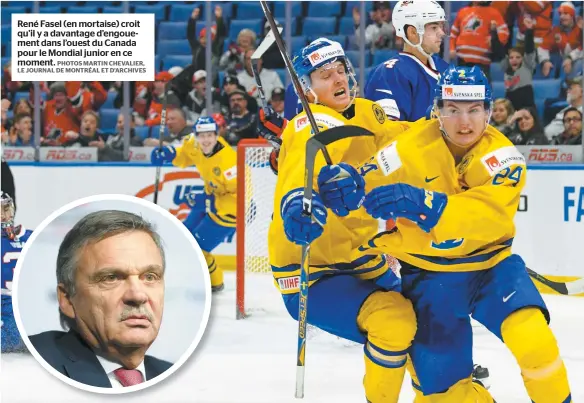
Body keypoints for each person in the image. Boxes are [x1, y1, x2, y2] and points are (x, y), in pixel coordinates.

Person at [317, 66, 572, 402]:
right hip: (430, 279)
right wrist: (348, 186)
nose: (464, 122)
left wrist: (425, 204)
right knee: (447, 397)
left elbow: (487, 214)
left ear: (488, 111)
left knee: (535, 342)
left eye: (474, 110)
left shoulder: (504, 158)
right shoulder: (408, 146)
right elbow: (368, 178)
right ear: (437, 111)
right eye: (452, 110)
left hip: (491, 270)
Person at [269, 37, 416, 403]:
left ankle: (442, 390)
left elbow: (408, 144)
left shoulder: (370, 113)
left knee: (423, 320)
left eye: (341, 70)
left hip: (362, 257)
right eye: (323, 75)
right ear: (307, 88)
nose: (338, 80)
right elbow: (298, 176)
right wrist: (298, 206)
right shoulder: (310, 123)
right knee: (393, 323)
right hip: (311, 271)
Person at [29, 210, 172, 388]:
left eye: (150, 277)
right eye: (111, 278)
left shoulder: (178, 379)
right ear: (67, 299)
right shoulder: (27, 366)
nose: (138, 295)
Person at [151, 116, 236, 292]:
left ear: (216, 135)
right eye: (202, 136)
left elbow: (240, 193)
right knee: (184, 235)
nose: (206, 140)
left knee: (199, 247)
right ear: (196, 135)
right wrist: (169, 153)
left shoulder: (229, 161)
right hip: (210, 196)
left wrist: (208, 202)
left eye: (210, 136)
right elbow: (184, 153)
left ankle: (215, 282)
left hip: (230, 210)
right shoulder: (194, 143)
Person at [364, 0, 449, 121]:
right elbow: (389, 132)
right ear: (412, 32)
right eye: (434, 27)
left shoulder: (445, 68)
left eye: (441, 27)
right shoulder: (390, 73)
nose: (441, 33)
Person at [1, 192, 32, 353]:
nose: (2, 215)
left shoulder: (31, 237)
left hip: (16, 303)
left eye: (5, 209)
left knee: (14, 337)